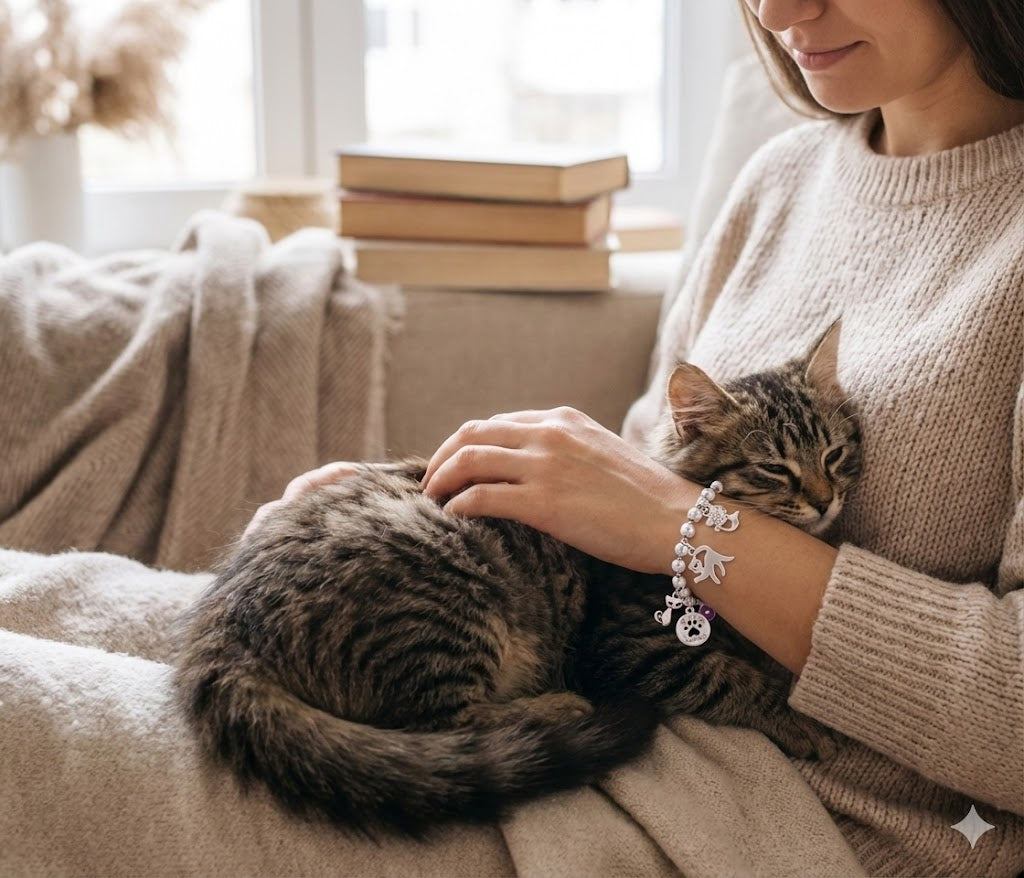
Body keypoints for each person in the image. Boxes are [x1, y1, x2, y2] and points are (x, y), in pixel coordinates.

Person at [257, 1, 1024, 873]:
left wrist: (691, 528)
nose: (776, 12)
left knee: (71, 734)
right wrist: (422, 498)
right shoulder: (779, 179)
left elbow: (660, 513)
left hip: (789, 817)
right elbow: (633, 501)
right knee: (88, 617)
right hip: (616, 704)